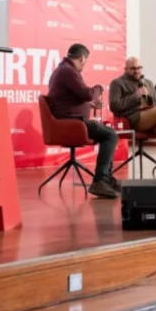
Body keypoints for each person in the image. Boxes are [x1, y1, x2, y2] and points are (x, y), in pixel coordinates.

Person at [47, 44, 120, 199]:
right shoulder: (68, 71)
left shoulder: (63, 70)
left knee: (107, 133)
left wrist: (89, 105)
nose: (83, 65)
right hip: (72, 123)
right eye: (85, 62)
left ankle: (107, 178)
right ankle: (100, 180)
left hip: (71, 121)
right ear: (81, 58)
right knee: (111, 135)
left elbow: (72, 99)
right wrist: (98, 89)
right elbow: (86, 93)